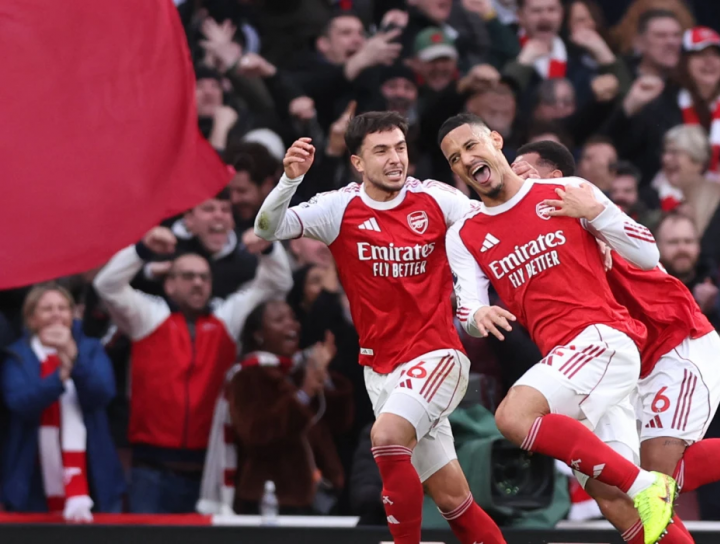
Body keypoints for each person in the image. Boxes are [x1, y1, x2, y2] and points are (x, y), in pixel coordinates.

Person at [510, 139, 720, 539]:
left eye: (524, 168)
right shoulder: (531, 237)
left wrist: (598, 217)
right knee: (627, 487)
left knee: (657, 479)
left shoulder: (585, 206)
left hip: (677, 343)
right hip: (629, 366)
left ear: (556, 178)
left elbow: (641, 244)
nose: (515, 175)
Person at [253, 112, 505, 544]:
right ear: (357, 162)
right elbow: (268, 227)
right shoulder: (339, 207)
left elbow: (493, 225)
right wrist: (290, 180)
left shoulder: (437, 198)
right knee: (453, 499)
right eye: (382, 151)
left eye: (400, 148)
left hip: (437, 354)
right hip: (380, 370)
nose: (395, 159)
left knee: (386, 437)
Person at [440, 112, 676, 544]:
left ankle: (649, 484)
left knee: (513, 416)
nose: (466, 159)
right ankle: (647, 493)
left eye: (471, 146)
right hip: (566, 363)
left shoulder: (565, 191)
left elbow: (647, 255)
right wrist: (477, 317)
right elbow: (470, 307)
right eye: (455, 158)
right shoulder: (465, 234)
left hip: (603, 340)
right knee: (612, 497)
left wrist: (599, 212)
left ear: (495, 141)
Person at [92, 225, 292, 514]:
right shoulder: (148, 316)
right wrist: (142, 250)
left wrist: (269, 249)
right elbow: (106, 285)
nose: (198, 283)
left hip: (208, 472)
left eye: (204, 277)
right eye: (188, 276)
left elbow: (277, 284)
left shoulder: (227, 318)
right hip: (150, 469)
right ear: (169, 284)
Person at [204, 302, 351, 515]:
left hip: (318, 496)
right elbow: (257, 435)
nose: (291, 324)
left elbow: (341, 423)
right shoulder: (247, 376)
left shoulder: (299, 371)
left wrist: (324, 376)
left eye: (292, 318)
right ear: (258, 334)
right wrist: (304, 393)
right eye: (279, 320)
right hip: (270, 498)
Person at [1, 284, 125, 520]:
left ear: (73, 314)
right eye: (47, 309)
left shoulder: (90, 349)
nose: (56, 314)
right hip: (33, 478)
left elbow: (102, 393)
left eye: (62, 308)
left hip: (93, 474)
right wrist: (58, 378)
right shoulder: (17, 356)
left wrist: (74, 357)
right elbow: (19, 402)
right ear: (31, 318)